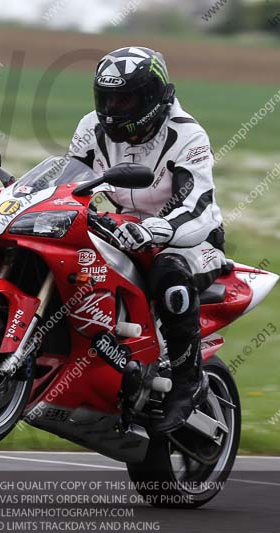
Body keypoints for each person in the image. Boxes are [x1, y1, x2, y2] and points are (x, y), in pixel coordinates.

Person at [69, 46, 226, 434]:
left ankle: (188, 382)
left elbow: (196, 205)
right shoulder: (91, 127)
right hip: (123, 227)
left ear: (154, 96)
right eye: (107, 98)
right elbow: (69, 181)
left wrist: (156, 230)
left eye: (125, 98)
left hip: (189, 237)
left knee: (168, 277)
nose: (114, 108)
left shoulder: (188, 135)